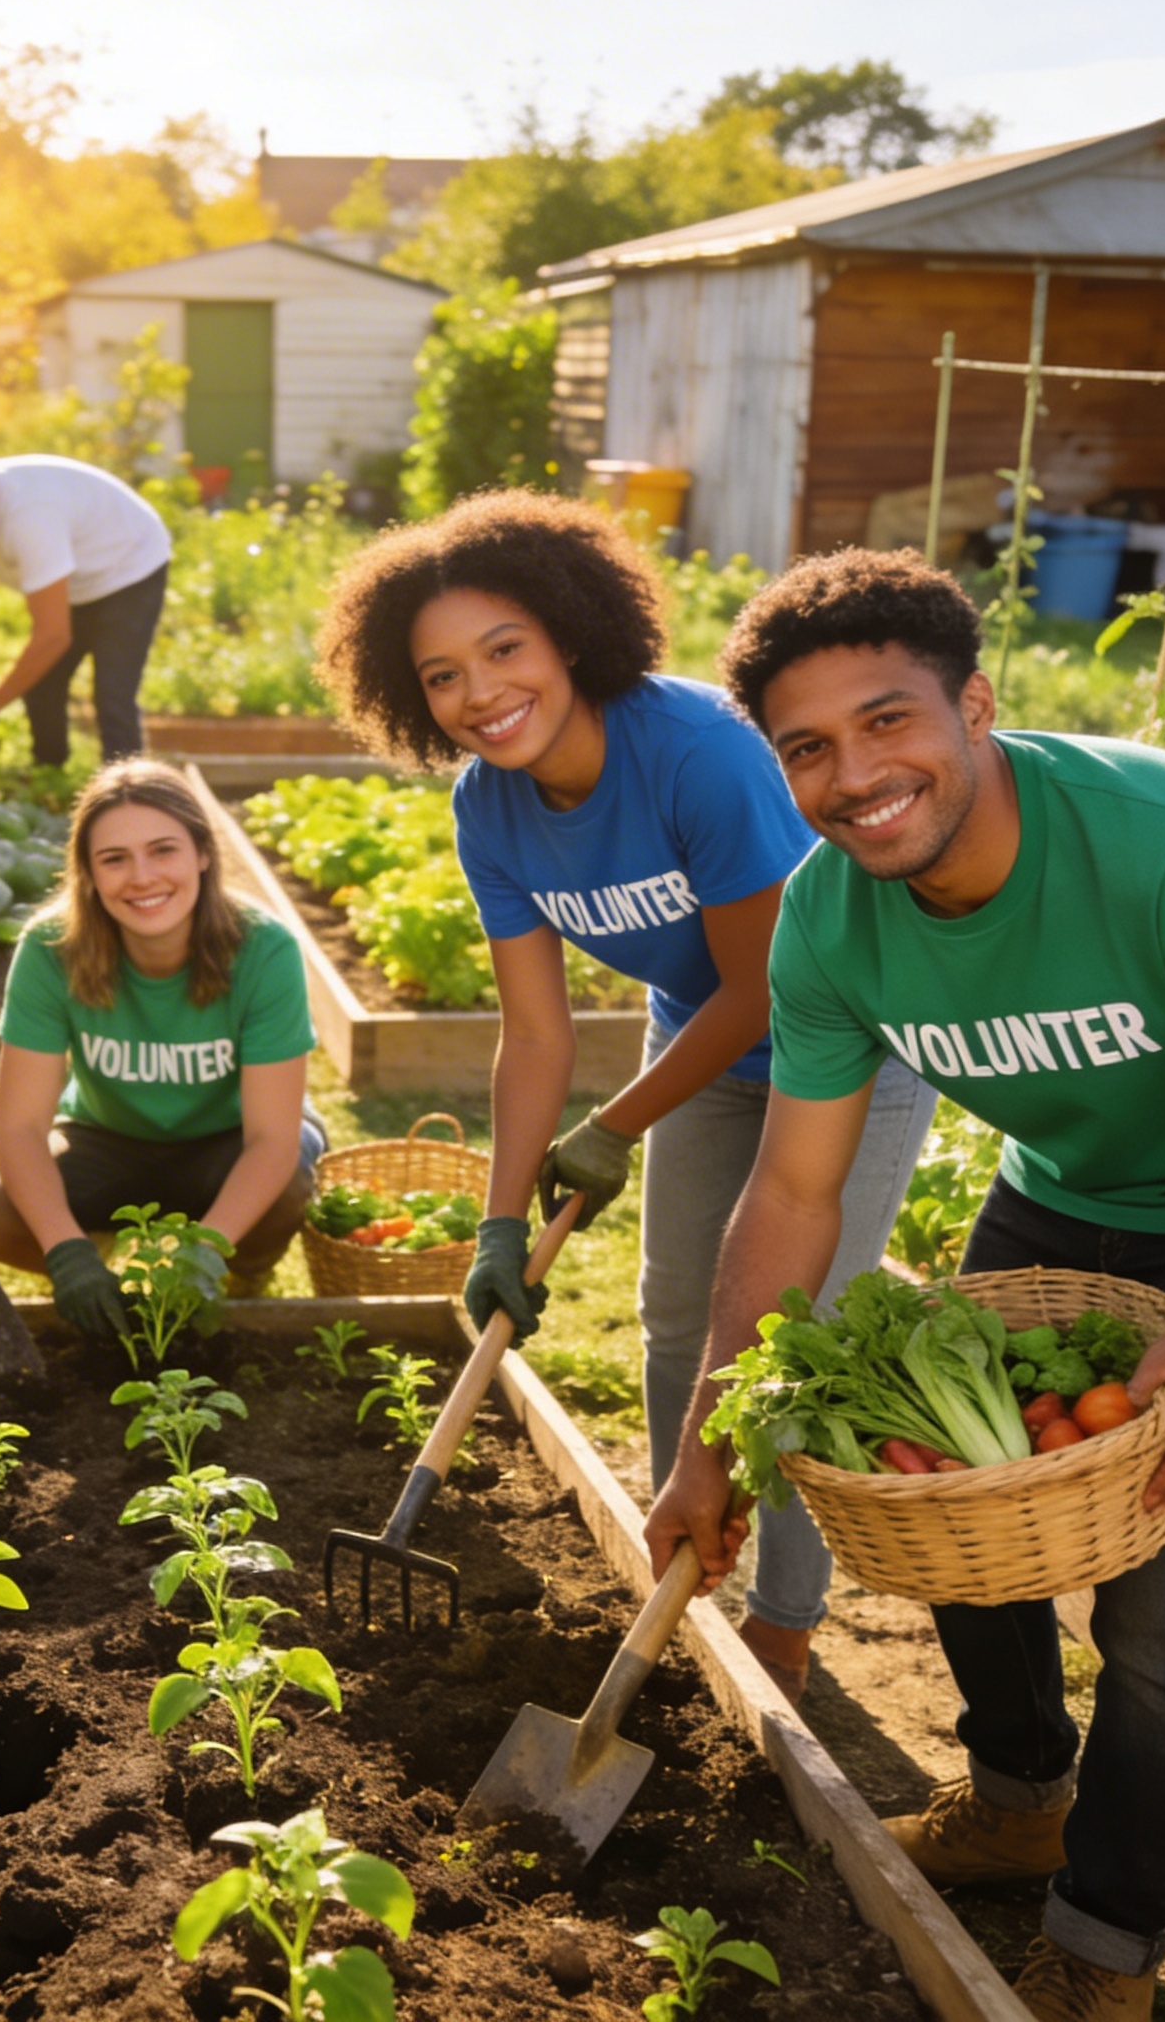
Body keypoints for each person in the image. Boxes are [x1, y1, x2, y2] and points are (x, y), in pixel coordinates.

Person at [644, 547, 1165, 2020]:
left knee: (1160, 1609)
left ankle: (1107, 1943)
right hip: (1059, 1204)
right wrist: (708, 1437)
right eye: (807, 748)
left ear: (976, 707)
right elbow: (796, 1191)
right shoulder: (831, 916)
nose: (854, 774)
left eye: (890, 721)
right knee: (954, 1513)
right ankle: (1021, 1799)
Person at [315, 491, 935, 1701]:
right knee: (671, 1320)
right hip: (698, 1045)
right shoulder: (486, 804)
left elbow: (764, 988)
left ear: (567, 633)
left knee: (788, 1344)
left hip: (851, 1036)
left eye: (505, 649)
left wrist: (616, 1123)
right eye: (440, 674)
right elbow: (533, 1031)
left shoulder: (696, 752)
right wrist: (500, 1220)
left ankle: (784, 1622)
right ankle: (682, 1568)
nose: (481, 690)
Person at [0, 760, 322, 1342]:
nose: (142, 877)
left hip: (226, 1139)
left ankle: (239, 1271)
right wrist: (65, 1251)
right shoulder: (50, 948)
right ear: (87, 872)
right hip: (106, 1136)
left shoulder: (264, 948)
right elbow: (21, 1129)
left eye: (163, 850)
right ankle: (105, 1273)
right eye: (114, 859)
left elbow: (273, 1140)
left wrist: (206, 1252)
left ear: (203, 854)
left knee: (287, 1191)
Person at [0, 440, 172, 767]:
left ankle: (131, 797)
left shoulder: (27, 513)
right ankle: (48, 778)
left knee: (112, 697)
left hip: (129, 567)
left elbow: (53, 636)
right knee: (41, 687)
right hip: (74, 579)